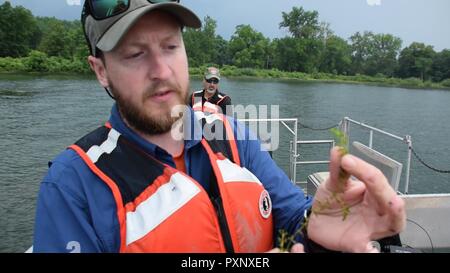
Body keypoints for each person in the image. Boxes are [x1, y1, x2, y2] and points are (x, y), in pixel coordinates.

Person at [33, 0, 405, 253]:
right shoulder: (73, 186)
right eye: (135, 54)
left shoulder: (232, 136)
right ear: (100, 71)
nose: (161, 71)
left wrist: (322, 235)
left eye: (170, 46)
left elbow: (294, 218)